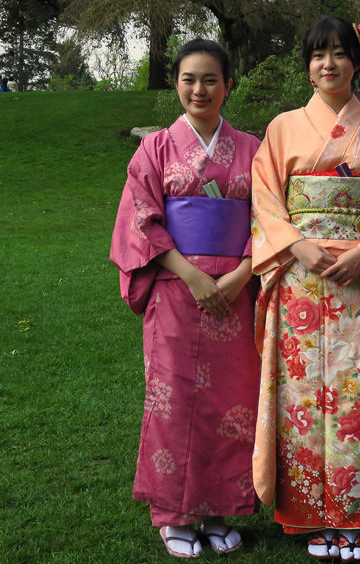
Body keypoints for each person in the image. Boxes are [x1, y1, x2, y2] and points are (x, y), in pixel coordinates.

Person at [250, 15, 360, 563]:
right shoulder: (281, 128)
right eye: (319, 54)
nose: (329, 64)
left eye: (340, 53)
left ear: (357, 61)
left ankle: (358, 515)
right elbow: (265, 197)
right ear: (308, 64)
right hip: (300, 276)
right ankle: (308, 515)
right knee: (302, 399)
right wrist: (295, 244)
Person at [110, 38, 261, 558]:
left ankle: (219, 508)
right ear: (176, 84)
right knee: (171, 402)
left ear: (228, 85)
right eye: (189, 79)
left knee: (232, 401)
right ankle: (174, 513)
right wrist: (192, 276)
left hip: (235, 294)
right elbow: (139, 220)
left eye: (211, 79)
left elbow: (269, 222)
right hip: (177, 291)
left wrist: (242, 274)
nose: (200, 89)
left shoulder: (252, 150)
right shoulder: (153, 149)